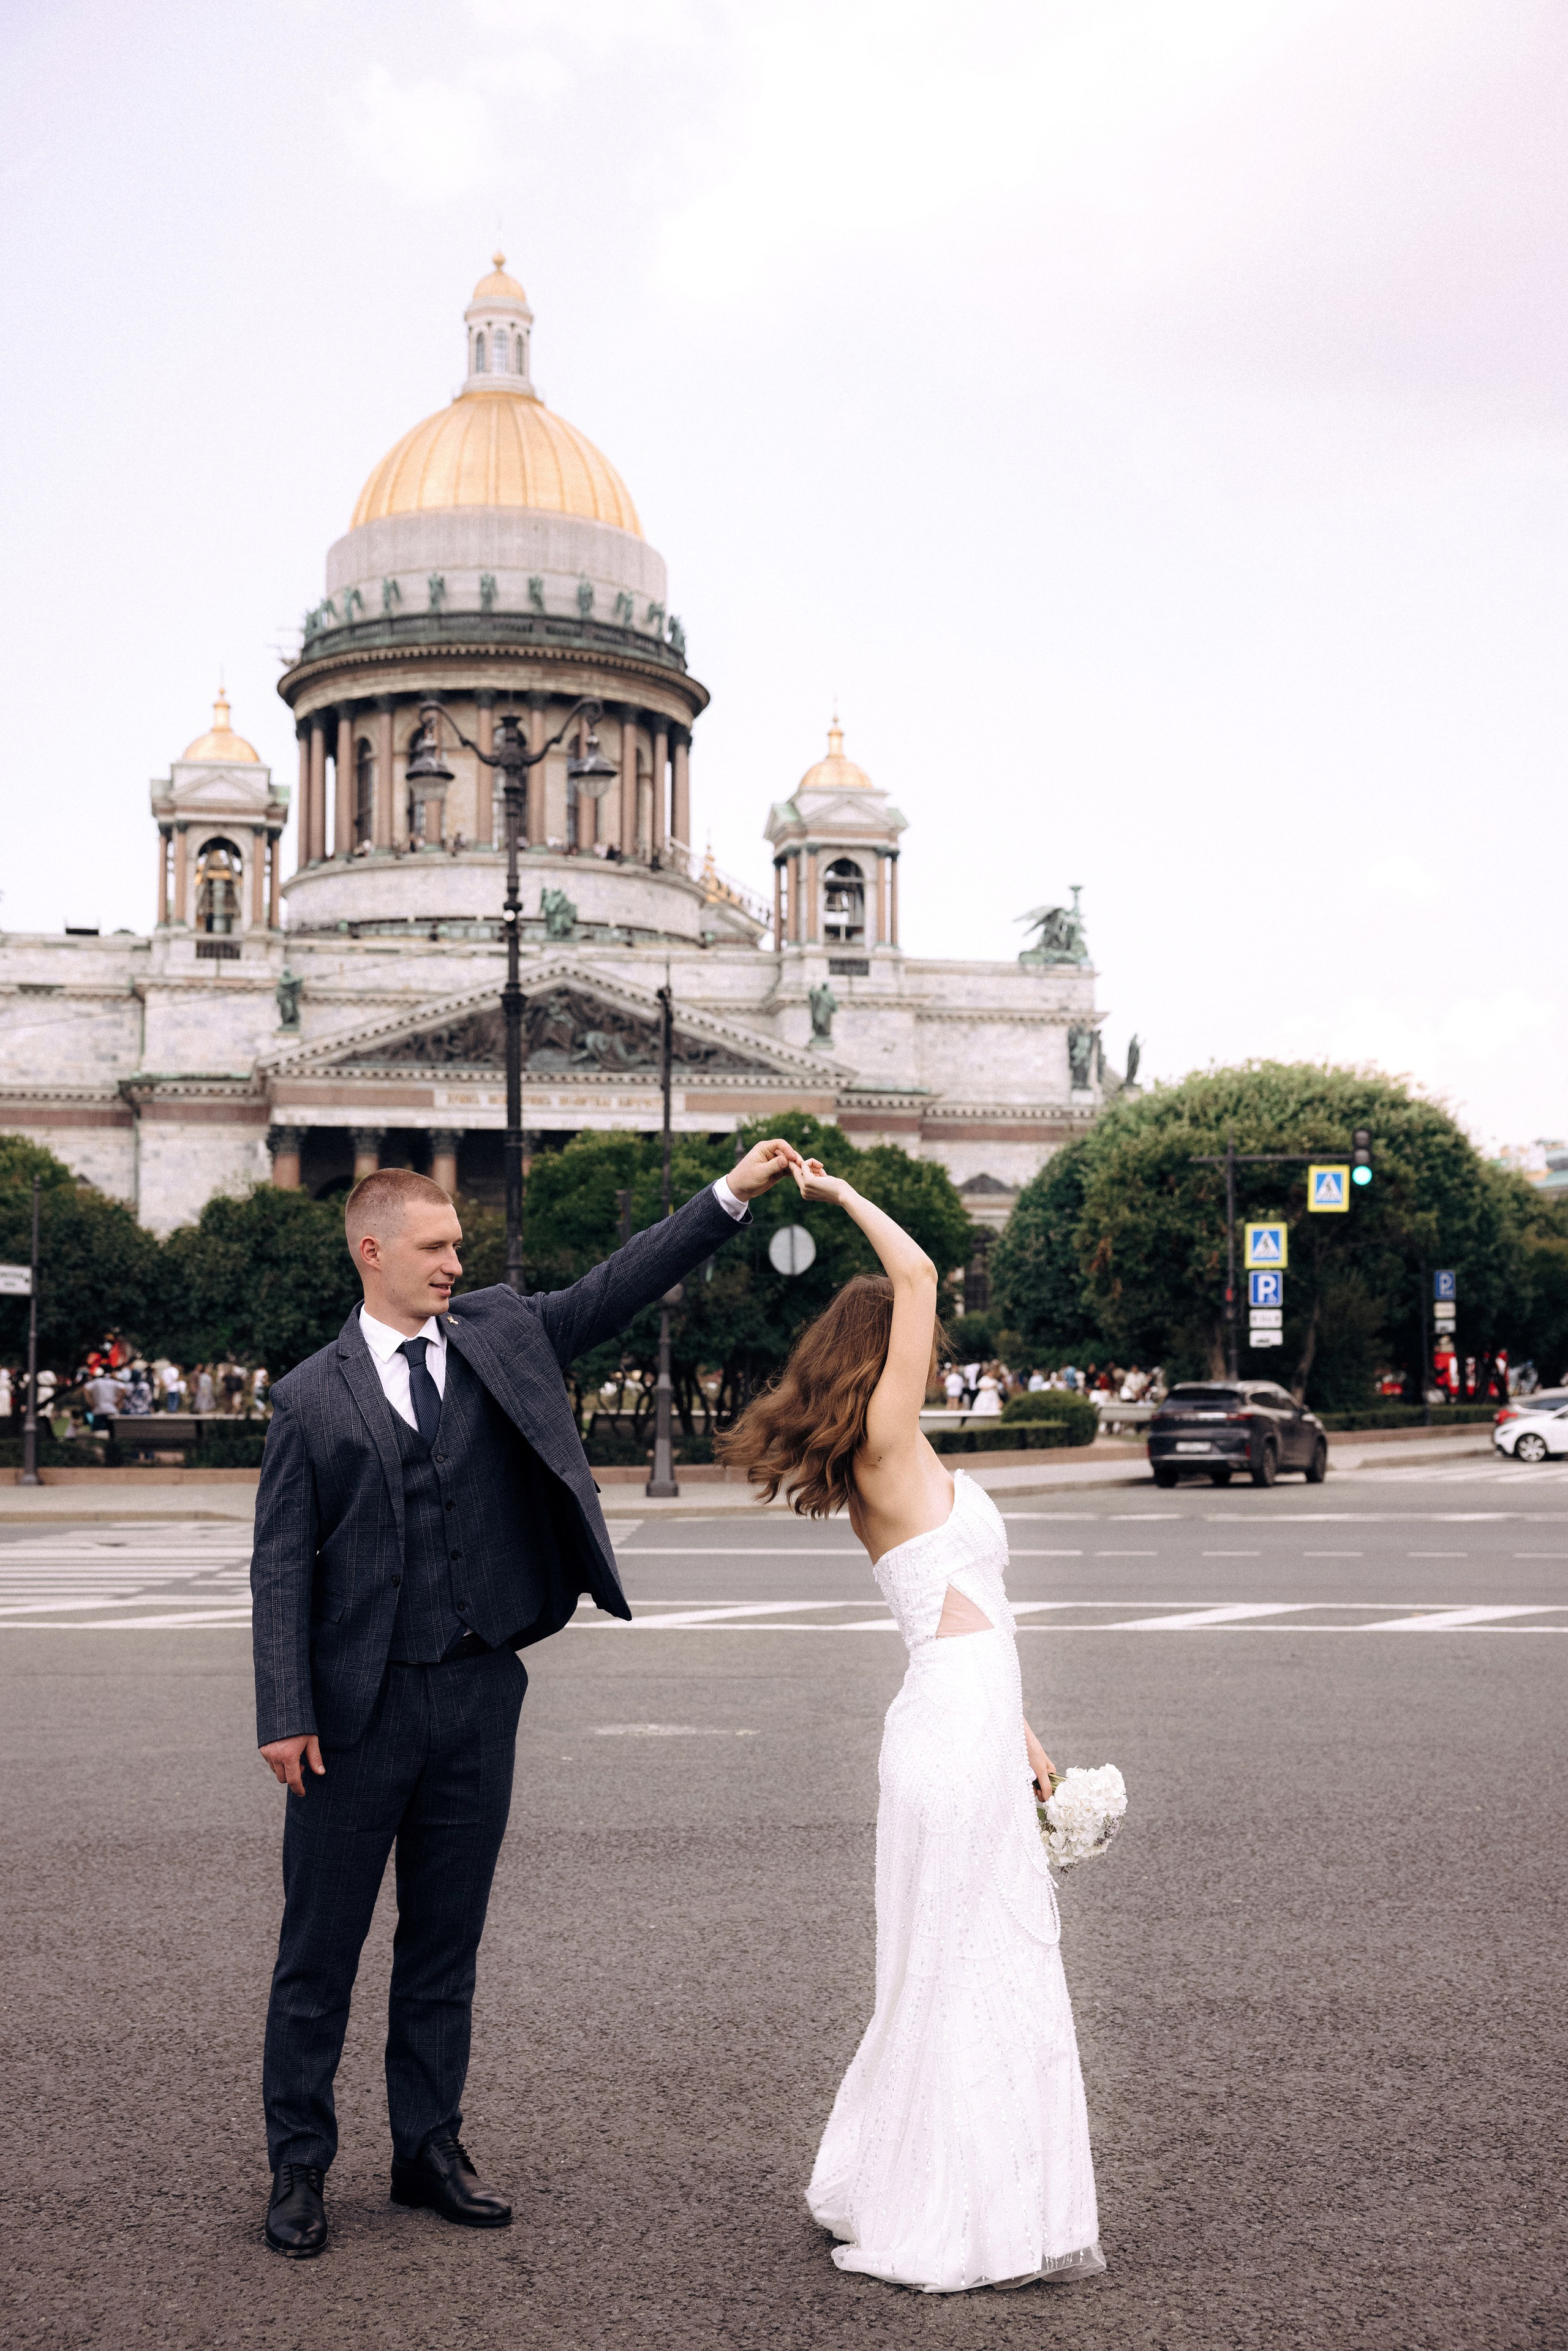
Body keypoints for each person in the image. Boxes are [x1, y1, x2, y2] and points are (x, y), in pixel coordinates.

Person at [250, 1138, 802, 2260]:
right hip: (356, 1714)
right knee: (321, 1953)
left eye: (458, 1244)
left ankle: (428, 2148)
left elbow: (618, 1282)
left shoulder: (502, 1331)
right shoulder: (309, 1397)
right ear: (373, 1251)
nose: (458, 1261)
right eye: (437, 1245)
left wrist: (728, 1196)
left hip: (477, 1694)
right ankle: (299, 2167)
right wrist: (283, 1709)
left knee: (445, 1943)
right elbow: (281, 1565)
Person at [720, 1157, 1102, 2293]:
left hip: (972, 1720)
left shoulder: (905, 1449)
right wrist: (839, 1199)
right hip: (945, 1734)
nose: (934, 1353)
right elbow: (924, 1269)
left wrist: (1028, 1740)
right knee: (958, 1968)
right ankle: (947, 2208)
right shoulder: (887, 1445)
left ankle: (962, 2192)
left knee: (973, 1966)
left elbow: (976, 1619)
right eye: (918, 1342)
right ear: (883, 1354)